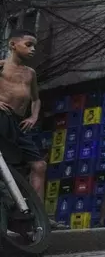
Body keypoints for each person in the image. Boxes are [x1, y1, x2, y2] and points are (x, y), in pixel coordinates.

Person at [0, 30, 47, 202]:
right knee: (5, 166)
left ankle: (38, 213)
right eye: (28, 45)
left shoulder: (30, 73)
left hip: (19, 123)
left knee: (39, 165)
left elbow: (36, 99)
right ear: (13, 45)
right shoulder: (1, 66)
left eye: (34, 45)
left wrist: (33, 117)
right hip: (2, 118)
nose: (33, 49)